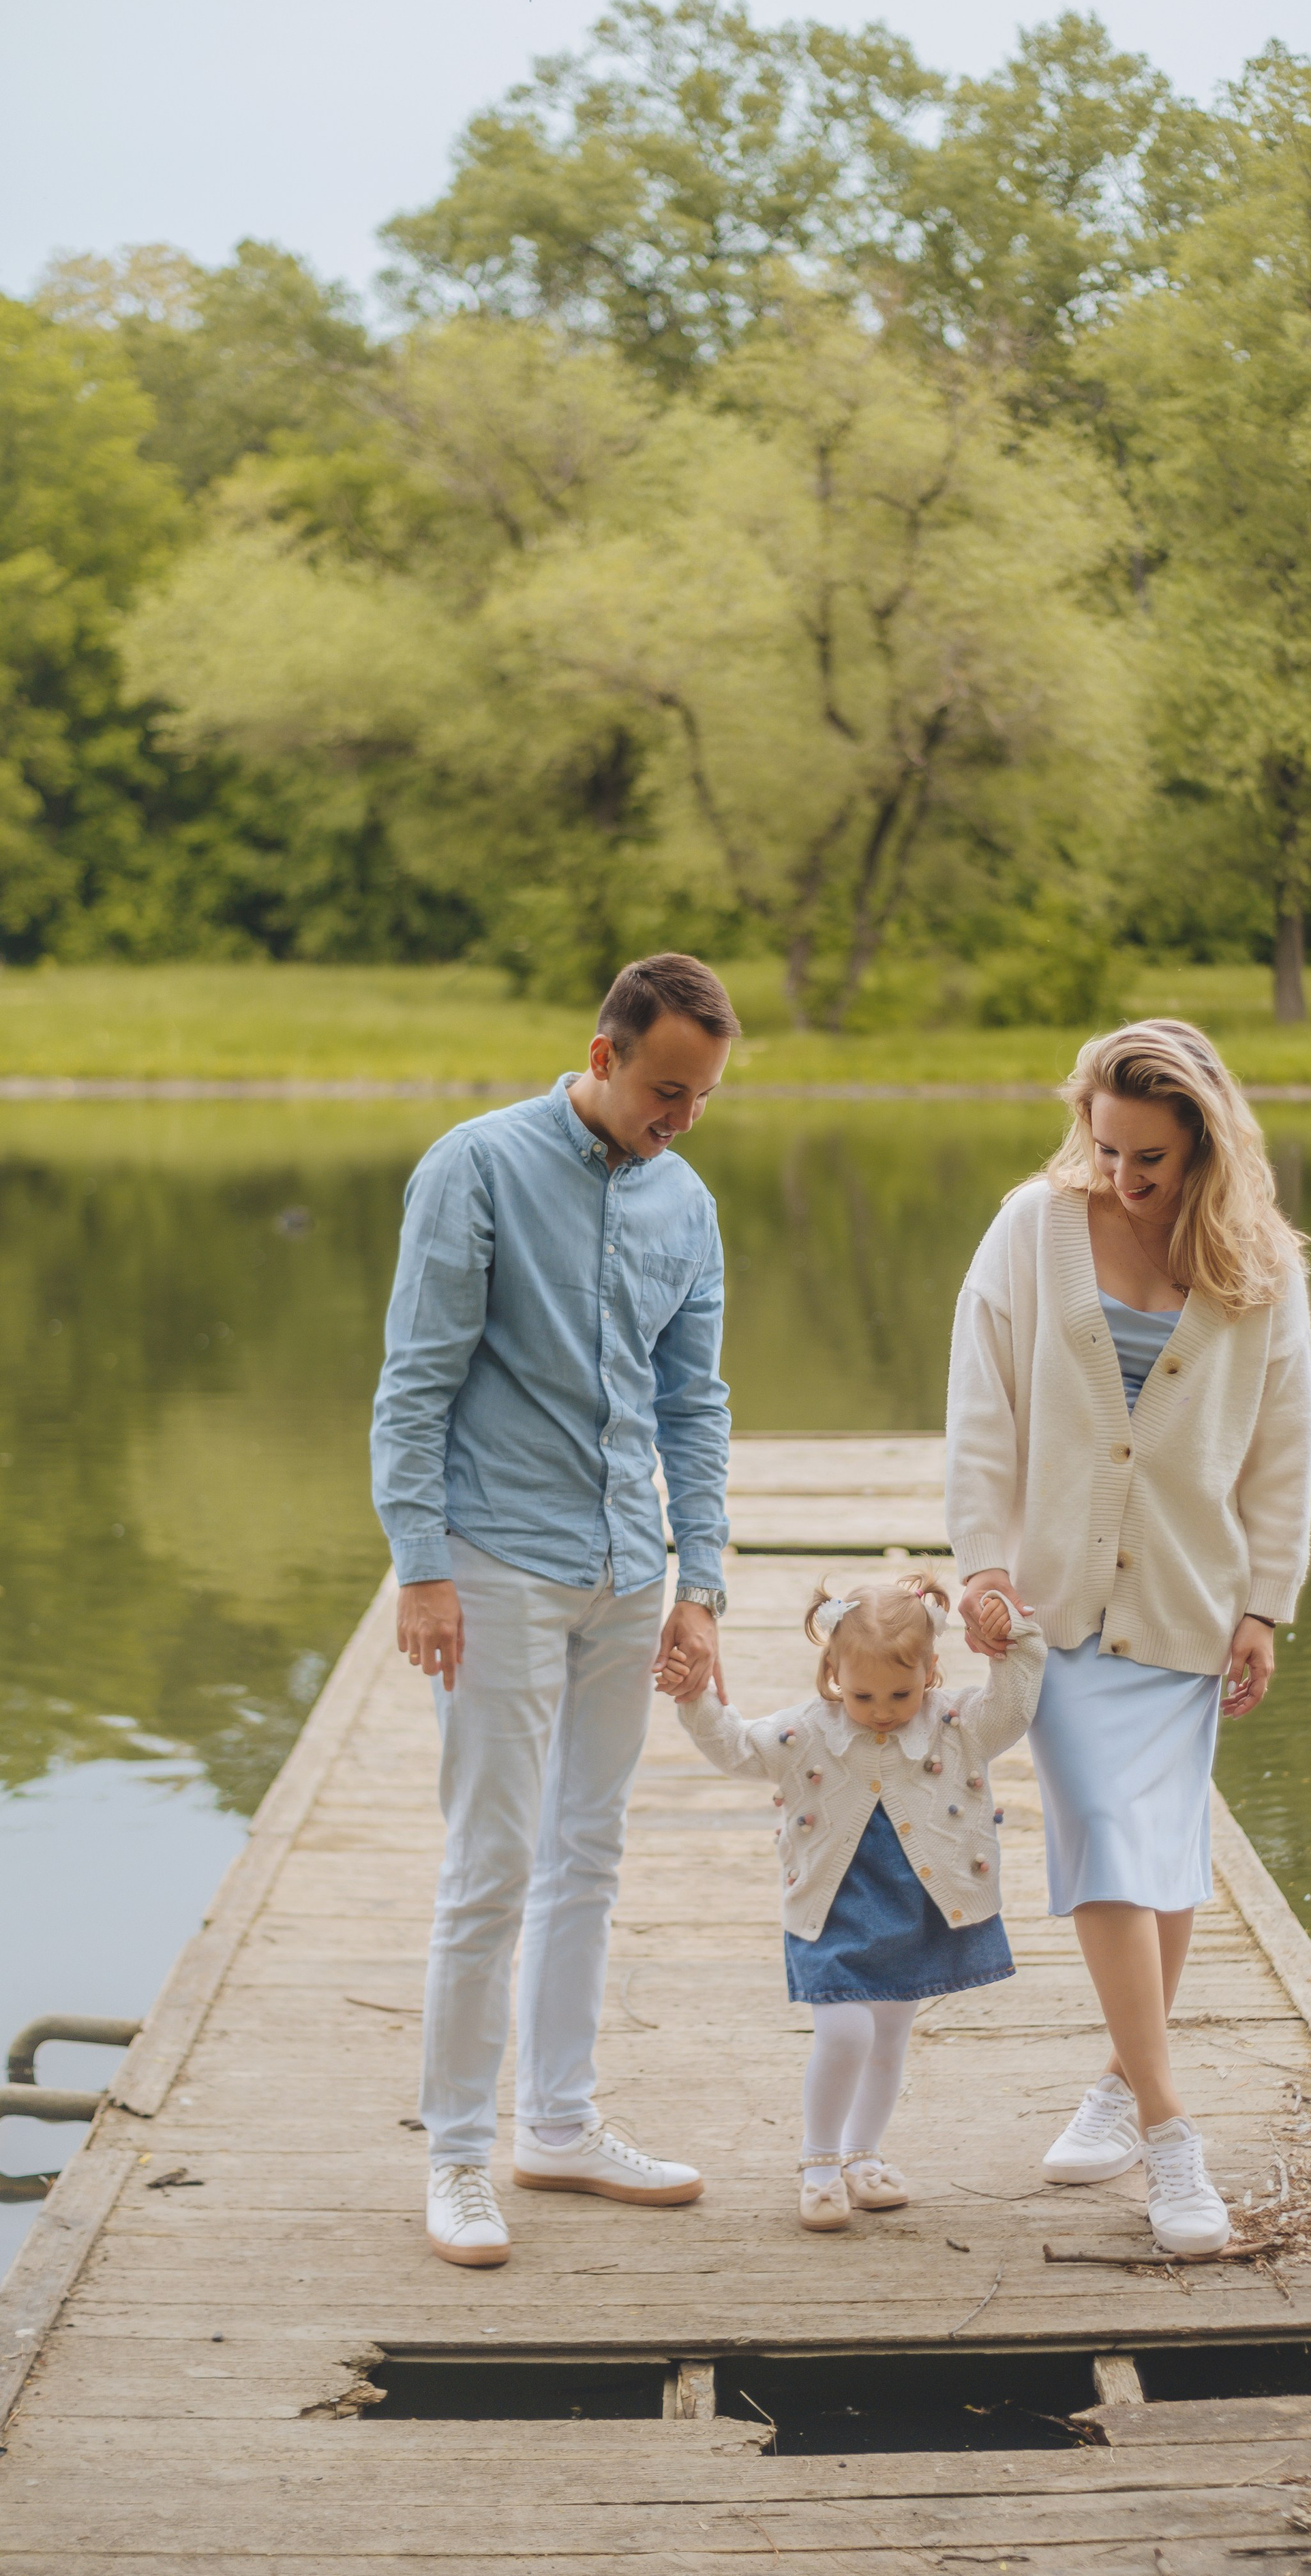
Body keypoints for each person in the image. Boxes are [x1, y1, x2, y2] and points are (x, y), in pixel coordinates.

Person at [370, 953, 740, 2268]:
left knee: (589, 1853)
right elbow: (416, 1382)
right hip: (499, 1565)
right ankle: (458, 2158)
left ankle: (561, 2125)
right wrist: (421, 1566)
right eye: (664, 1090)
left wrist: (701, 1584)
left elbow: (694, 1404)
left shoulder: (686, 1201)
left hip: (628, 1571)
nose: (681, 1117)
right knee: (492, 1864)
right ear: (602, 1056)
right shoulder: (475, 1167)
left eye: (702, 1096)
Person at [946, 1019, 1311, 2258]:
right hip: (1054, 1602)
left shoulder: (1261, 1261)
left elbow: (1284, 1446)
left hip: (1189, 1603)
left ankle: (1117, 2078)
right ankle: (1170, 2132)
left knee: (1161, 1851)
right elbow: (981, 1404)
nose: (1123, 1176)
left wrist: (1265, 1603)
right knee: (1106, 1832)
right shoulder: (1032, 1227)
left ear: (1205, 1144)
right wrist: (983, 1561)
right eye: (1107, 1148)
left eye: (1150, 1157)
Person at [676, 1577, 1044, 2230]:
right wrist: (695, 1697)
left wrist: (1013, 1636)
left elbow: (1014, 1708)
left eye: (901, 1693)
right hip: (833, 1907)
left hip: (917, 1903)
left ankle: (863, 2153)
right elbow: (736, 1746)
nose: (881, 1711)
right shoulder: (805, 1732)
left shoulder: (958, 1725)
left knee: (889, 2037)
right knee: (847, 2032)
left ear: (932, 1671)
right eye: (862, 1694)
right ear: (833, 1674)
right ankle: (819, 2159)